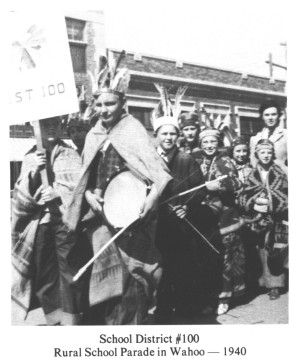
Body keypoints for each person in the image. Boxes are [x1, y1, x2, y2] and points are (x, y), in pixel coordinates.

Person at [65, 56, 172, 325]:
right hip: (100, 219)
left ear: (123, 103)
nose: (103, 109)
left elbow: (160, 174)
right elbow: (85, 180)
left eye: (110, 103)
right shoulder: (93, 134)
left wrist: (151, 199)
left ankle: (129, 332)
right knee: (106, 280)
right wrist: (89, 195)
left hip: (131, 218)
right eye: (98, 104)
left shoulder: (132, 130)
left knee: (131, 280)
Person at [11, 116, 87, 325]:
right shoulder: (29, 157)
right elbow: (21, 193)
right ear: (37, 127)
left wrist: (59, 195)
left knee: (70, 271)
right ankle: (54, 321)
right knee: (45, 273)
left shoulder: (71, 154)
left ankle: (72, 320)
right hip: (41, 222)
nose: (51, 127)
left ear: (62, 126)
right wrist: (36, 170)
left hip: (65, 221)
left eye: (55, 123)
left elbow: (80, 187)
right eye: (46, 124)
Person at [151, 85, 209, 323]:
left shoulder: (186, 159)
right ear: (156, 135)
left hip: (182, 225)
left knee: (182, 269)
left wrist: (188, 206)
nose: (168, 138)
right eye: (164, 134)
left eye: (172, 134)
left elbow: (200, 188)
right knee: (159, 270)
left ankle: (186, 312)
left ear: (178, 136)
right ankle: (163, 310)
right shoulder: (149, 158)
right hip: (155, 223)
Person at [194, 127, 244, 315]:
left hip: (225, 217)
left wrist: (219, 185)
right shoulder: (198, 161)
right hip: (204, 217)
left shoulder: (225, 161)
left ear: (218, 143)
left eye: (212, 142)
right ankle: (209, 297)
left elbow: (238, 183)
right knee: (208, 259)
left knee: (225, 258)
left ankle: (224, 297)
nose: (209, 145)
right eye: (205, 142)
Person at [240, 139, 288, 300]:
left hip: (276, 218)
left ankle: (275, 285)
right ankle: (261, 282)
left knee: (274, 250)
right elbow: (244, 194)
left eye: (269, 152)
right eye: (262, 152)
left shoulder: (279, 172)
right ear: (256, 154)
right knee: (259, 250)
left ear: (272, 154)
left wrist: (271, 202)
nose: (266, 155)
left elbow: (286, 193)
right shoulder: (252, 174)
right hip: (257, 219)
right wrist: (254, 203)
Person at [230, 137, 260, 297]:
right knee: (235, 250)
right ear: (232, 152)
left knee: (249, 249)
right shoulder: (229, 167)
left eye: (244, 151)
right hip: (233, 213)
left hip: (248, 213)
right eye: (238, 151)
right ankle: (236, 285)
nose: (241, 154)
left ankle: (250, 283)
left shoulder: (251, 169)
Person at [250, 100, 287, 174]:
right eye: (267, 115)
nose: (270, 118)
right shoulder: (255, 139)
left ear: (279, 116)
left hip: (283, 179)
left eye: (273, 114)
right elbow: (254, 164)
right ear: (262, 117)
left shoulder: (287, 135)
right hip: (262, 180)